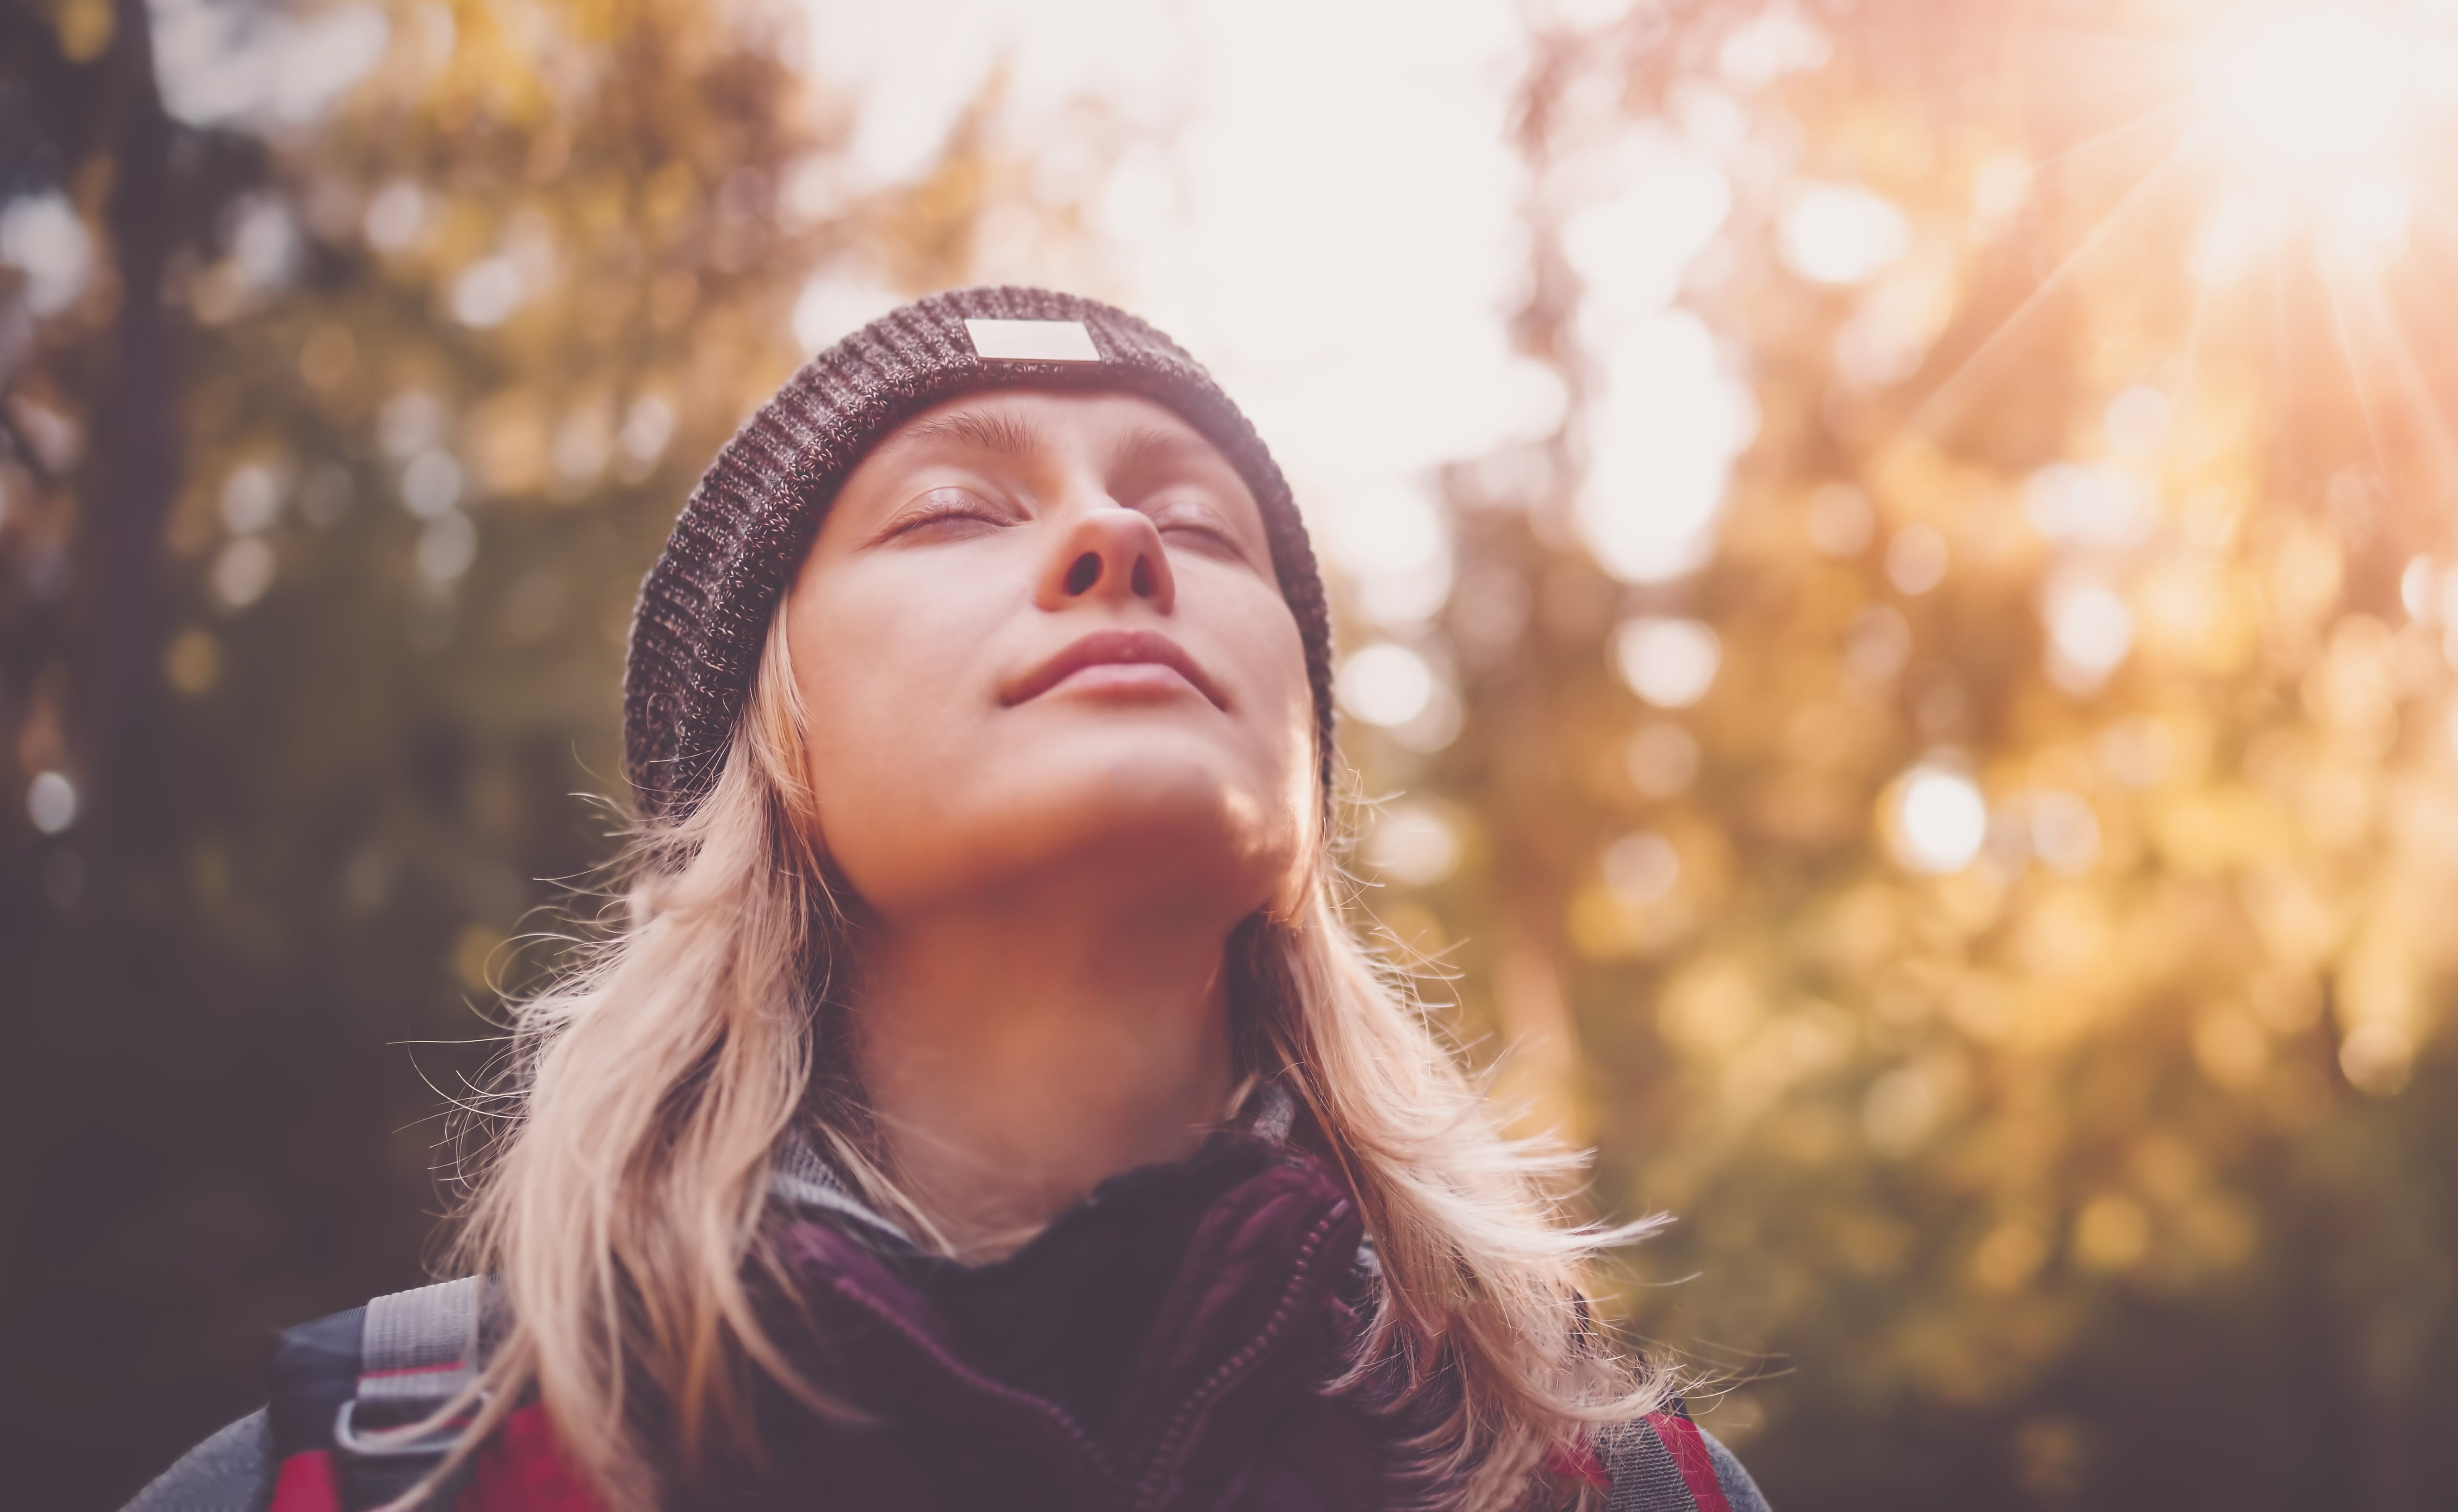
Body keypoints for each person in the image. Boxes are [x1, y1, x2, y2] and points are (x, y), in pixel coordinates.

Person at [126, 289, 1765, 1512]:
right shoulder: (368, 1476)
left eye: (1203, 523)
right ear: (765, 752)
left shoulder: (1615, 1486)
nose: (1120, 534)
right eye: (957, 510)